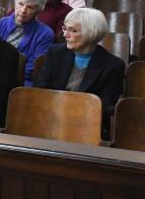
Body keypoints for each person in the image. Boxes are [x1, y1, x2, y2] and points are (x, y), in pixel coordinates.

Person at [34, 8, 125, 139]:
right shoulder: (55, 53)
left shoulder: (112, 65)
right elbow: (41, 93)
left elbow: (103, 108)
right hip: (50, 119)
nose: (65, 34)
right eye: (65, 28)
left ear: (91, 34)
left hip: (86, 127)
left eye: (73, 30)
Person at [0, 0, 54, 86]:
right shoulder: (0, 23)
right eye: (20, 4)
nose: (23, 10)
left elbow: (33, 68)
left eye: (30, 7)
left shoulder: (45, 33)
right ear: (15, 2)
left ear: (39, 10)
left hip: (21, 82)